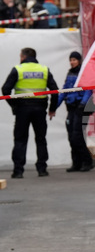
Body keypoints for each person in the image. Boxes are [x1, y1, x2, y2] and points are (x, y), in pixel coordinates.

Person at [2, 47, 59, 179]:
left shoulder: (18, 69)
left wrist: (14, 106)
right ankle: (42, 169)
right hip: (40, 109)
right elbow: (54, 90)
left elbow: (5, 90)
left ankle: (18, 171)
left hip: (22, 108)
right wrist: (52, 109)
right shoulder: (44, 70)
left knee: (20, 140)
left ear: (23, 57)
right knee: (41, 139)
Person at [56, 50, 93, 172]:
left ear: (79, 61)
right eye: (71, 60)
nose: (72, 62)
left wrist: (83, 104)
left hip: (80, 108)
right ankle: (76, 163)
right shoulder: (70, 73)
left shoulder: (84, 73)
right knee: (71, 136)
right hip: (71, 108)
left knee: (77, 136)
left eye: (74, 60)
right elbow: (64, 90)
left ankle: (87, 161)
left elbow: (89, 90)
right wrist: (54, 106)